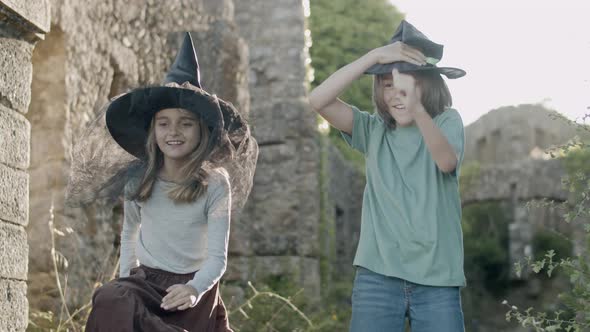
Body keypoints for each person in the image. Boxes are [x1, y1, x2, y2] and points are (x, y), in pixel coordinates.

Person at [68, 32, 258, 332]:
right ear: (153, 131)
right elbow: (130, 235)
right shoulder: (138, 178)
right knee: (109, 297)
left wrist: (195, 290)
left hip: (190, 288)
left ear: (202, 130)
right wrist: (126, 282)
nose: (174, 131)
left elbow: (217, 258)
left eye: (186, 123)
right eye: (164, 123)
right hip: (146, 282)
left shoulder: (214, 183)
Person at [309, 20, 467, 331]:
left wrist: (418, 110)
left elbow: (446, 162)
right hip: (377, 279)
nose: (397, 94)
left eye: (407, 84)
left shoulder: (448, 121)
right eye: (387, 84)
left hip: (437, 281)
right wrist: (373, 58)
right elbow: (318, 100)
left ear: (429, 84)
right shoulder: (372, 130)